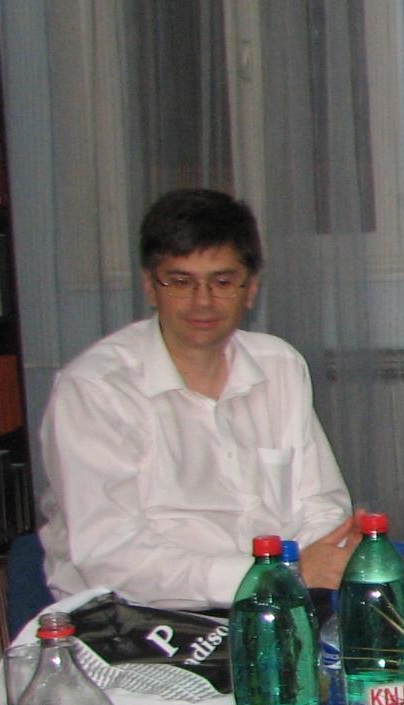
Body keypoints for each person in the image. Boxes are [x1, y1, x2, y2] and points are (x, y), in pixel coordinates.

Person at [38, 189, 355, 609]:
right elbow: (110, 558)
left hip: (274, 603)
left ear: (250, 289)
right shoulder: (95, 389)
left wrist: (317, 563)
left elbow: (321, 506)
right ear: (150, 287)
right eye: (180, 281)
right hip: (138, 618)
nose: (202, 301)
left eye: (222, 282)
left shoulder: (279, 366)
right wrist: (274, 574)